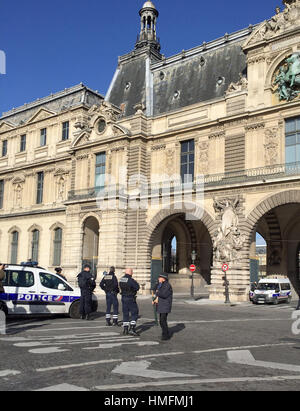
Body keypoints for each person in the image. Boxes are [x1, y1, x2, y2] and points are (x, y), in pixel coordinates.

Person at [119, 268, 140, 336]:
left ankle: (125, 329)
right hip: (130, 298)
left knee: (125, 314)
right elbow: (137, 287)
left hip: (123, 298)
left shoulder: (121, 279)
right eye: (132, 272)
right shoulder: (131, 280)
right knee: (135, 313)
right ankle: (132, 328)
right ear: (130, 273)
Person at [153, 274, 173, 341]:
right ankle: (165, 333)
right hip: (161, 305)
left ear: (163, 278)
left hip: (165, 305)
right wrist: (157, 285)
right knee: (162, 321)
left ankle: (166, 335)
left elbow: (164, 294)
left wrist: (157, 292)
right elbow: (154, 289)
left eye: (160, 277)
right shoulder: (161, 284)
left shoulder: (167, 285)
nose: (158, 278)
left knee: (162, 321)